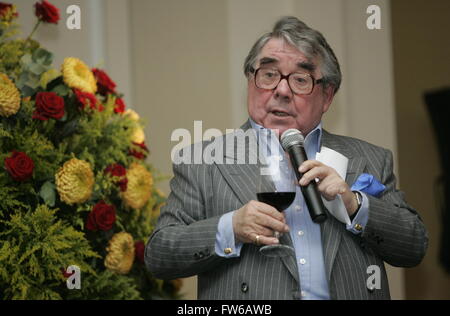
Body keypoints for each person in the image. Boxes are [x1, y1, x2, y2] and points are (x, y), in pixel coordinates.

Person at [145, 16, 428, 300]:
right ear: (250, 81)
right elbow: (159, 255)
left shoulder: (370, 158)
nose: (281, 90)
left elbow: (413, 247)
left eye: (300, 80)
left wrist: (355, 206)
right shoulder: (203, 161)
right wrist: (231, 228)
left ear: (327, 96)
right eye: (268, 75)